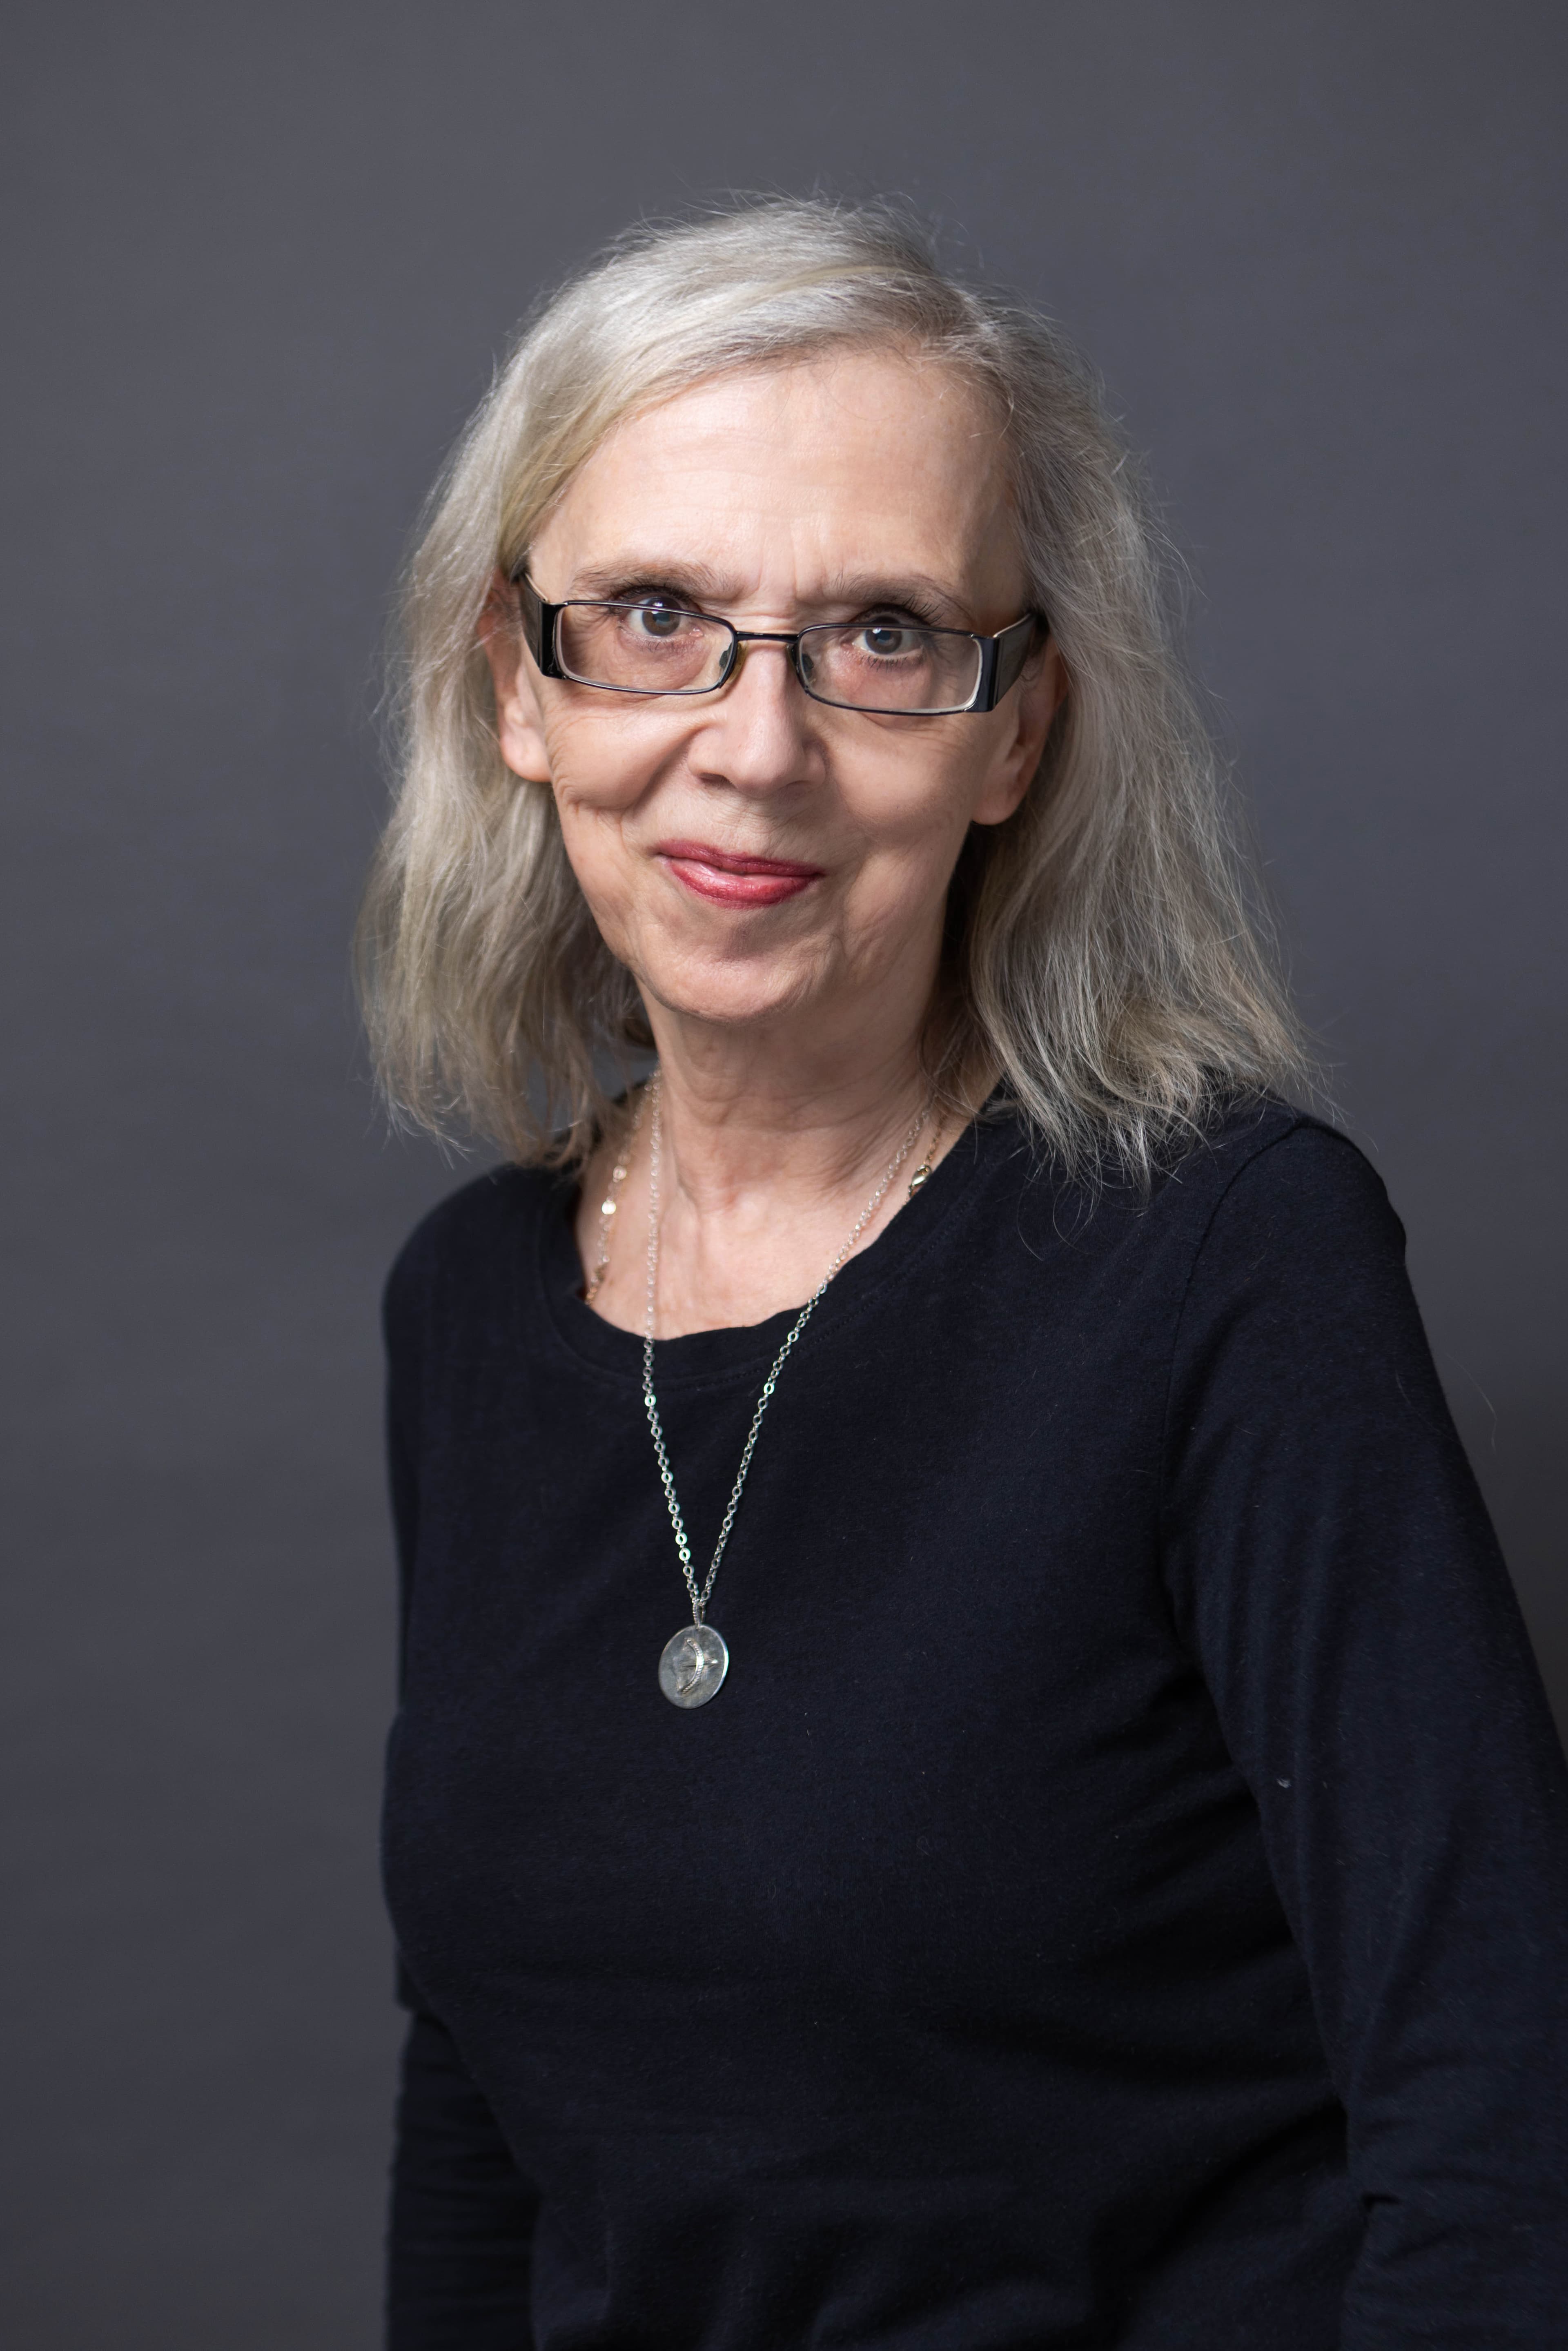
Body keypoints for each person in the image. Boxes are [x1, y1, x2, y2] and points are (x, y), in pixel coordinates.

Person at [359, 201, 1568, 2349]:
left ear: (1017, 737)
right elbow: (487, 2112)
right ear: (517, 688)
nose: (755, 743)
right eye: (653, 616)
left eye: (886, 637)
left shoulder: (1228, 1258)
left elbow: (1506, 2124)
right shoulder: (469, 1310)